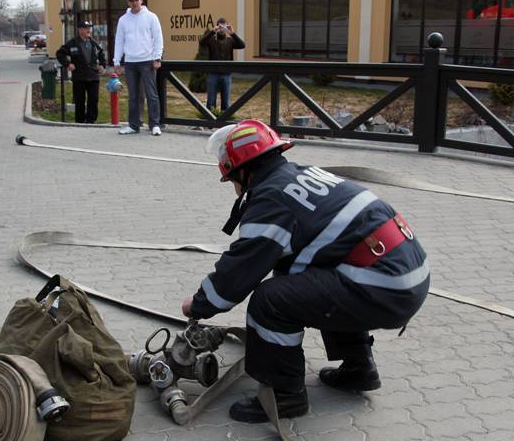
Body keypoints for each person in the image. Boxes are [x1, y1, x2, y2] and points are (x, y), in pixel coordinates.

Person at [181, 120, 430, 423]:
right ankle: (358, 369)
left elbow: (239, 270)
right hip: (405, 276)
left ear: (242, 171)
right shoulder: (302, 173)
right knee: (312, 274)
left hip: (382, 285)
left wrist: (199, 304)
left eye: (232, 178)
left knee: (270, 300)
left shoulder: (271, 198)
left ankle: (284, 396)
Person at [112, 0, 164, 136]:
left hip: (147, 60)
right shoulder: (123, 20)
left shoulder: (151, 17)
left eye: (136, 0)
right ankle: (134, 125)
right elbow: (119, 41)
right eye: (131, 0)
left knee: (151, 94)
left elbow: (158, 38)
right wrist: (117, 61)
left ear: (141, 0)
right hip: (130, 62)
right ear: (128, 2)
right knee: (133, 95)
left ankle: (155, 124)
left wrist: (157, 57)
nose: (134, 3)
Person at [55, 21, 107, 124]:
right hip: (79, 77)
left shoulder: (94, 43)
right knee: (80, 101)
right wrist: (68, 64)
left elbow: (102, 55)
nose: (88, 30)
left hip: (93, 76)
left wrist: (102, 65)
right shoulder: (73, 43)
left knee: (93, 99)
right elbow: (60, 53)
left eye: (89, 28)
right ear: (80, 30)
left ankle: (91, 121)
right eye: (85, 28)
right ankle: (80, 121)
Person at [199, 17, 245, 112]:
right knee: (211, 102)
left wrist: (232, 33)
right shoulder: (212, 40)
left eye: (224, 26)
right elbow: (202, 42)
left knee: (226, 103)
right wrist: (212, 31)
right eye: (220, 26)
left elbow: (242, 45)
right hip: (213, 74)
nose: (222, 29)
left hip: (226, 74)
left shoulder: (230, 40)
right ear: (217, 27)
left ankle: (224, 122)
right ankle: (210, 123)